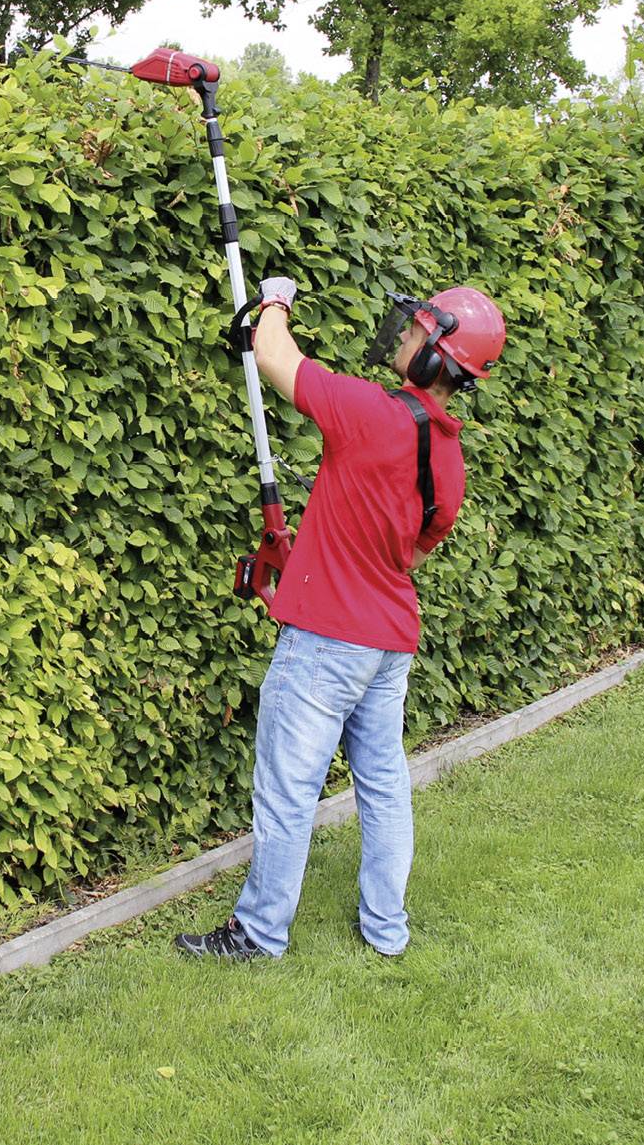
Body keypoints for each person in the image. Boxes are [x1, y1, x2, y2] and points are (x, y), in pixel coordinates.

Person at [174, 277, 506, 960]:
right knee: (383, 782)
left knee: (287, 786)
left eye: (418, 331)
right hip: (388, 644)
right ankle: (387, 928)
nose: (405, 334)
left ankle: (259, 932)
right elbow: (412, 547)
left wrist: (276, 299)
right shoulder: (447, 455)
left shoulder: (368, 411)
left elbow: (274, 357)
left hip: (328, 643)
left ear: (440, 357)